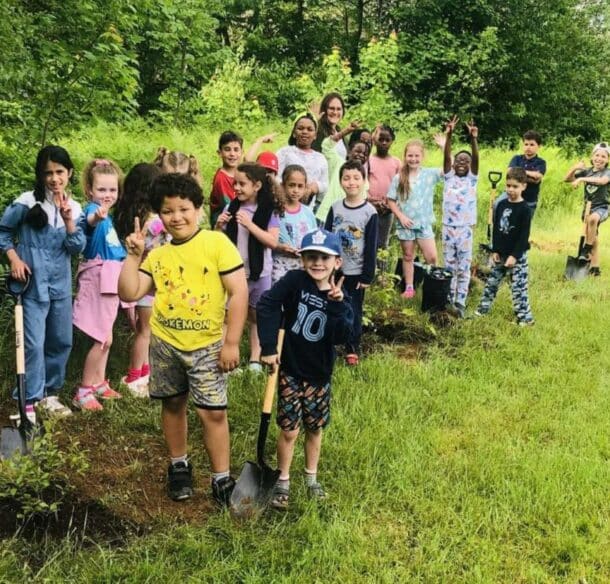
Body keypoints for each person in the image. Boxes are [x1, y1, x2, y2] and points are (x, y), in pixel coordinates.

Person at [118, 173, 248, 504]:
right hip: (165, 344)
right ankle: (179, 465)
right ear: (159, 215)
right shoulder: (158, 254)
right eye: (168, 211)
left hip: (207, 345)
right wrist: (133, 256)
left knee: (213, 412)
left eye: (184, 209)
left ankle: (221, 479)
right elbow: (129, 291)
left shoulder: (216, 243)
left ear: (198, 208)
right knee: (173, 403)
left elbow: (239, 292)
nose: (177, 217)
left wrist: (231, 342)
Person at [257, 228, 353, 509]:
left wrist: (336, 306)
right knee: (288, 430)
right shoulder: (294, 281)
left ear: (337, 262)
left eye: (324, 257)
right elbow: (267, 305)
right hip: (289, 370)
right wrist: (268, 347)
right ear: (302, 259)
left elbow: (343, 337)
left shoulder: (341, 298)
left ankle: (311, 478)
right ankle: (283, 479)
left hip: (319, 375)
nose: (317, 263)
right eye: (311, 256)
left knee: (314, 428)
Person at [0, 145, 85, 421]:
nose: (54, 178)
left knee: (61, 340)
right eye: (48, 172)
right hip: (31, 285)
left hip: (60, 285)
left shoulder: (74, 207)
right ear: (40, 174)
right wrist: (13, 258)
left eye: (60, 171)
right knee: (33, 343)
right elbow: (3, 233)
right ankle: (29, 399)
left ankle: (50, 394)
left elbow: (75, 247)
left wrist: (69, 220)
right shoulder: (25, 202)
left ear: (69, 173)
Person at [72, 159, 126, 411]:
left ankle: (98, 383)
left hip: (112, 277)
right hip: (98, 277)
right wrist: (96, 215)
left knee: (108, 336)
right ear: (90, 191)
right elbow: (88, 224)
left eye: (112, 190)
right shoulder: (92, 211)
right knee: (100, 337)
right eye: (102, 190)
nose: (107, 195)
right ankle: (83, 390)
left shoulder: (108, 216)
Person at [215, 162, 280, 372]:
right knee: (228, 316)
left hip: (261, 273)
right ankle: (225, 359)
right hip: (234, 273)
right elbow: (218, 241)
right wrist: (219, 225)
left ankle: (254, 359)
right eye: (235, 183)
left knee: (255, 315)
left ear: (257, 185)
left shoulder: (269, 209)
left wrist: (250, 225)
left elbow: (272, 241)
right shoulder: (231, 207)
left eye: (242, 184)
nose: (237, 188)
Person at [114, 162, 165, 396]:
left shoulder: (129, 212)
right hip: (149, 281)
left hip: (137, 277)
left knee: (146, 329)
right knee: (145, 330)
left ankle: (144, 370)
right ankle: (135, 375)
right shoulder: (154, 220)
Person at [325, 160, 378, 366]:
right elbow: (328, 237)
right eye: (346, 178)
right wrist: (327, 268)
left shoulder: (369, 212)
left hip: (356, 272)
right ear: (340, 182)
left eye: (356, 178)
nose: (351, 182)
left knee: (353, 309)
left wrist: (367, 275)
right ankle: (329, 341)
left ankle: (352, 346)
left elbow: (371, 246)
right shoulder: (335, 207)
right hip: (334, 270)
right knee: (330, 304)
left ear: (364, 181)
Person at [474, 167, 534, 325]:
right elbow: (496, 230)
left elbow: (523, 237)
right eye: (508, 186)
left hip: (517, 256)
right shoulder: (500, 205)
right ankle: (481, 311)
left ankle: (525, 319)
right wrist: (494, 250)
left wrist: (515, 256)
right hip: (500, 255)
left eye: (515, 186)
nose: (510, 190)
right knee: (491, 284)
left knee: (518, 289)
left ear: (523, 186)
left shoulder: (525, 210)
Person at [387, 139, 443, 298]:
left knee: (431, 257)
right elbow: (391, 200)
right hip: (406, 224)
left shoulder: (429, 174)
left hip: (423, 223)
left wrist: (444, 147)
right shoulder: (399, 178)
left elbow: (449, 169)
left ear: (422, 156)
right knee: (408, 255)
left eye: (417, 156)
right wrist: (401, 217)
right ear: (405, 156)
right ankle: (409, 287)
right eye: (410, 156)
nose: (413, 159)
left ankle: (431, 285)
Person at [441, 116, 479, 317]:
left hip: (465, 229)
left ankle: (460, 301)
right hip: (448, 228)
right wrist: (449, 134)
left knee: (463, 267)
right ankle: (448, 299)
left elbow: (476, 159)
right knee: (449, 267)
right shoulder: (449, 177)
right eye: (459, 160)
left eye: (466, 160)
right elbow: (446, 157)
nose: (462, 162)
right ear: (454, 164)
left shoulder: (472, 180)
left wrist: (473, 139)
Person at [564, 142, 610, 275]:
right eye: (597, 155)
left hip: (603, 207)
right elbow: (567, 179)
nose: (599, 159)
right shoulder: (587, 171)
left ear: (608, 160)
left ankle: (585, 250)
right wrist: (575, 168)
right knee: (593, 235)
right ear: (592, 156)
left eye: (603, 156)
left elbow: (602, 181)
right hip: (587, 207)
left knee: (593, 220)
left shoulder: (608, 172)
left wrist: (581, 179)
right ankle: (595, 268)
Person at [315, 122, 370, 224]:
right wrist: (345, 131)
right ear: (349, 152)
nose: (361, 155)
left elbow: (363, 198)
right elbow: (326, 146)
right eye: (357, 151)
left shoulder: (363, 175)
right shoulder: (338, 162)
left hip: (348, 220)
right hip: (327, 216)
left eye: (365, 154)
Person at [272, 164, 317, 283]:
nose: (296, 190)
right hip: (279, 265)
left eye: (300, 186)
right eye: (291, 185)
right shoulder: (275, 211)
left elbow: (314, 238)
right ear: (282, 186)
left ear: (305, 188)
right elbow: (268, 238)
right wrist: (281, 247)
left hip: (302, 265)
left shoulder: (308, 213)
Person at [277, 113, 329, 209]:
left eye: (310, 129)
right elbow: (276, 177)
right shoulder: (285, 152)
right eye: (300, 128)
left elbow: (325, 185)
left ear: (315, 136)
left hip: (308, 209)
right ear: (293, 133)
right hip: (284, 206)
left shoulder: (320, 158)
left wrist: (315, 187)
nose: (305, 132)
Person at [367, 124, 401, 261]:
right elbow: (363, 183)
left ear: (392, 141)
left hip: (388, 209)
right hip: (369, 207)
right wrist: (370, 201)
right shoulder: (368, 160)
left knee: (382, 242)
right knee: (367, 238)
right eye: (381, 139)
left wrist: (391, 203)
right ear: (375, 140)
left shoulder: (396, 162)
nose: (384, 143)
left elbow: (401, 187)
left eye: (388, 140)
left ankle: (381, 274)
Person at [506, 130, 546, 217]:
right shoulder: (516, 158)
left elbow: (537, 177)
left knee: (523, 226)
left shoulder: (541, 162)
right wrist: (529, 176)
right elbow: (510, 172)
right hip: (510, 196)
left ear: (538, 146)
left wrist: (518, 173)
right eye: (526, 144)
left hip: (529, 200)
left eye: (532, 144)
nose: (528, 147)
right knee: (497, 204)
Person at [209, 131, 243, 227]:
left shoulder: (239, 173)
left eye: (236, 150)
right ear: (219, 153)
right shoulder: (221, 178)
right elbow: (229, 205)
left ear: (242, 152)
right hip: (223, 225)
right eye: (227, 149)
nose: (232, 154)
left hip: (236, 219)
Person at [312, 92, 347, 157]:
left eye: (338, 109)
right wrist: (313, 122)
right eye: (331, 108)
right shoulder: (317, 131)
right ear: (324, 110)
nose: (335, 112)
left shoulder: (341, 133)